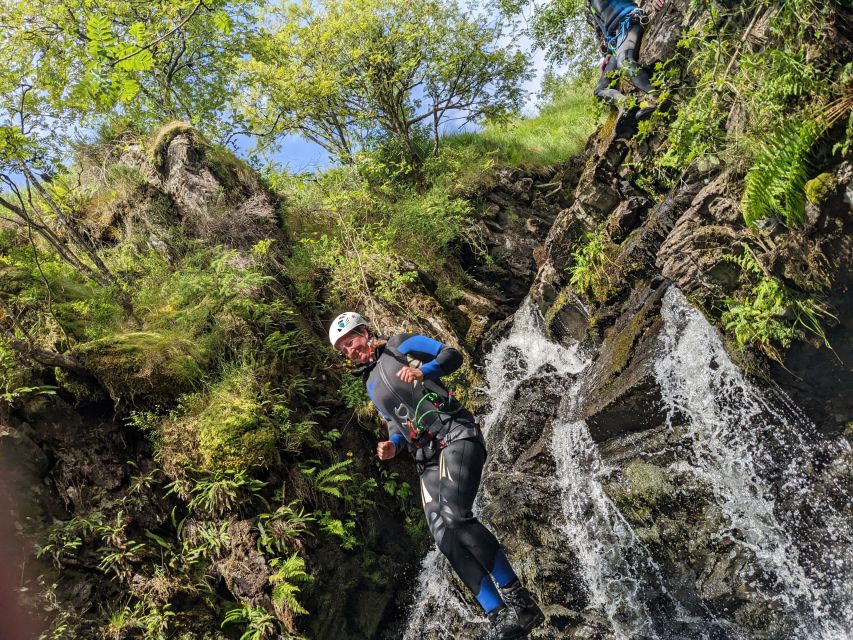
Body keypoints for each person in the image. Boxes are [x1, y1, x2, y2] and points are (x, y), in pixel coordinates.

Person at [329, 312, 544, 640]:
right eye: (343, 349)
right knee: (444, 535)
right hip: (426, 459)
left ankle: (520, 601)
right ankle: (499, 616)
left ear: (365, 331)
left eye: (351, 341)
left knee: (455, 515)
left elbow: (451, 355)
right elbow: (395, 421)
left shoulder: (401, 344)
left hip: (455, 434)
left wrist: (421, 370)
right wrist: (393, 445)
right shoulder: (369, 383)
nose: (350, 350)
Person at [588, 0, 667, 114]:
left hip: (630, 20)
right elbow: (606, 31)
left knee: (624, 62)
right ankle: (627, 106)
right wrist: (608, 54)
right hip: (618, 39)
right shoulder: (591, 5)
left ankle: (656, 98)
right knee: (599, 92)